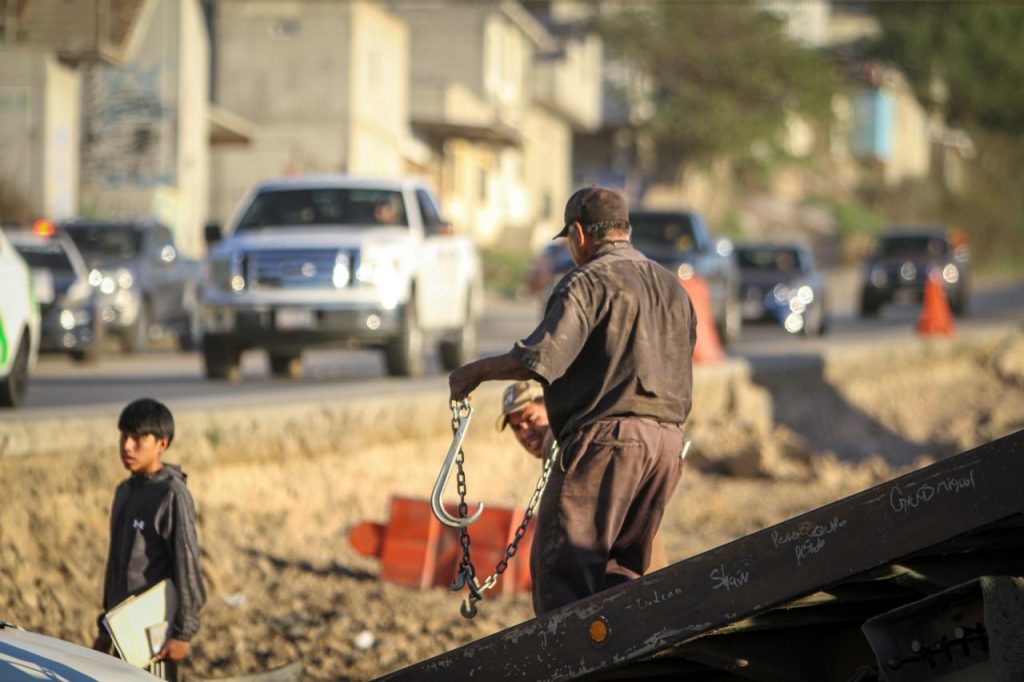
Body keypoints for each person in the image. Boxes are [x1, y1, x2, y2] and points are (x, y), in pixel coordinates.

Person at [450, 186, 696, 615]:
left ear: (579, 234)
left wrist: (474, 372)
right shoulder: (671, 285)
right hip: (668, 447)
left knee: (563, 574)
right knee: (622, 576)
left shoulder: (589, 281)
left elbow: (539, 359)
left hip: (610, 442)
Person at [496, 380, 671, 573]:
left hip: (623, 567)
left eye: (530, 418)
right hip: (636, 562)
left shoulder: (560, 440)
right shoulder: (563, 442)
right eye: (516, 428)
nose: (525, 433)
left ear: (550, 406)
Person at [92, 398, 206, 681]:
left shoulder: (171, 495)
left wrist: (183, 633)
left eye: (138, 438)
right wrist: (105, 629)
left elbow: (187, 567)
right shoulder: (124, 492)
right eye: (124, 436)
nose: (127, 446)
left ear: (162, 444)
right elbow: (116, 567)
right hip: (122, 631)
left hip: (152, 638)